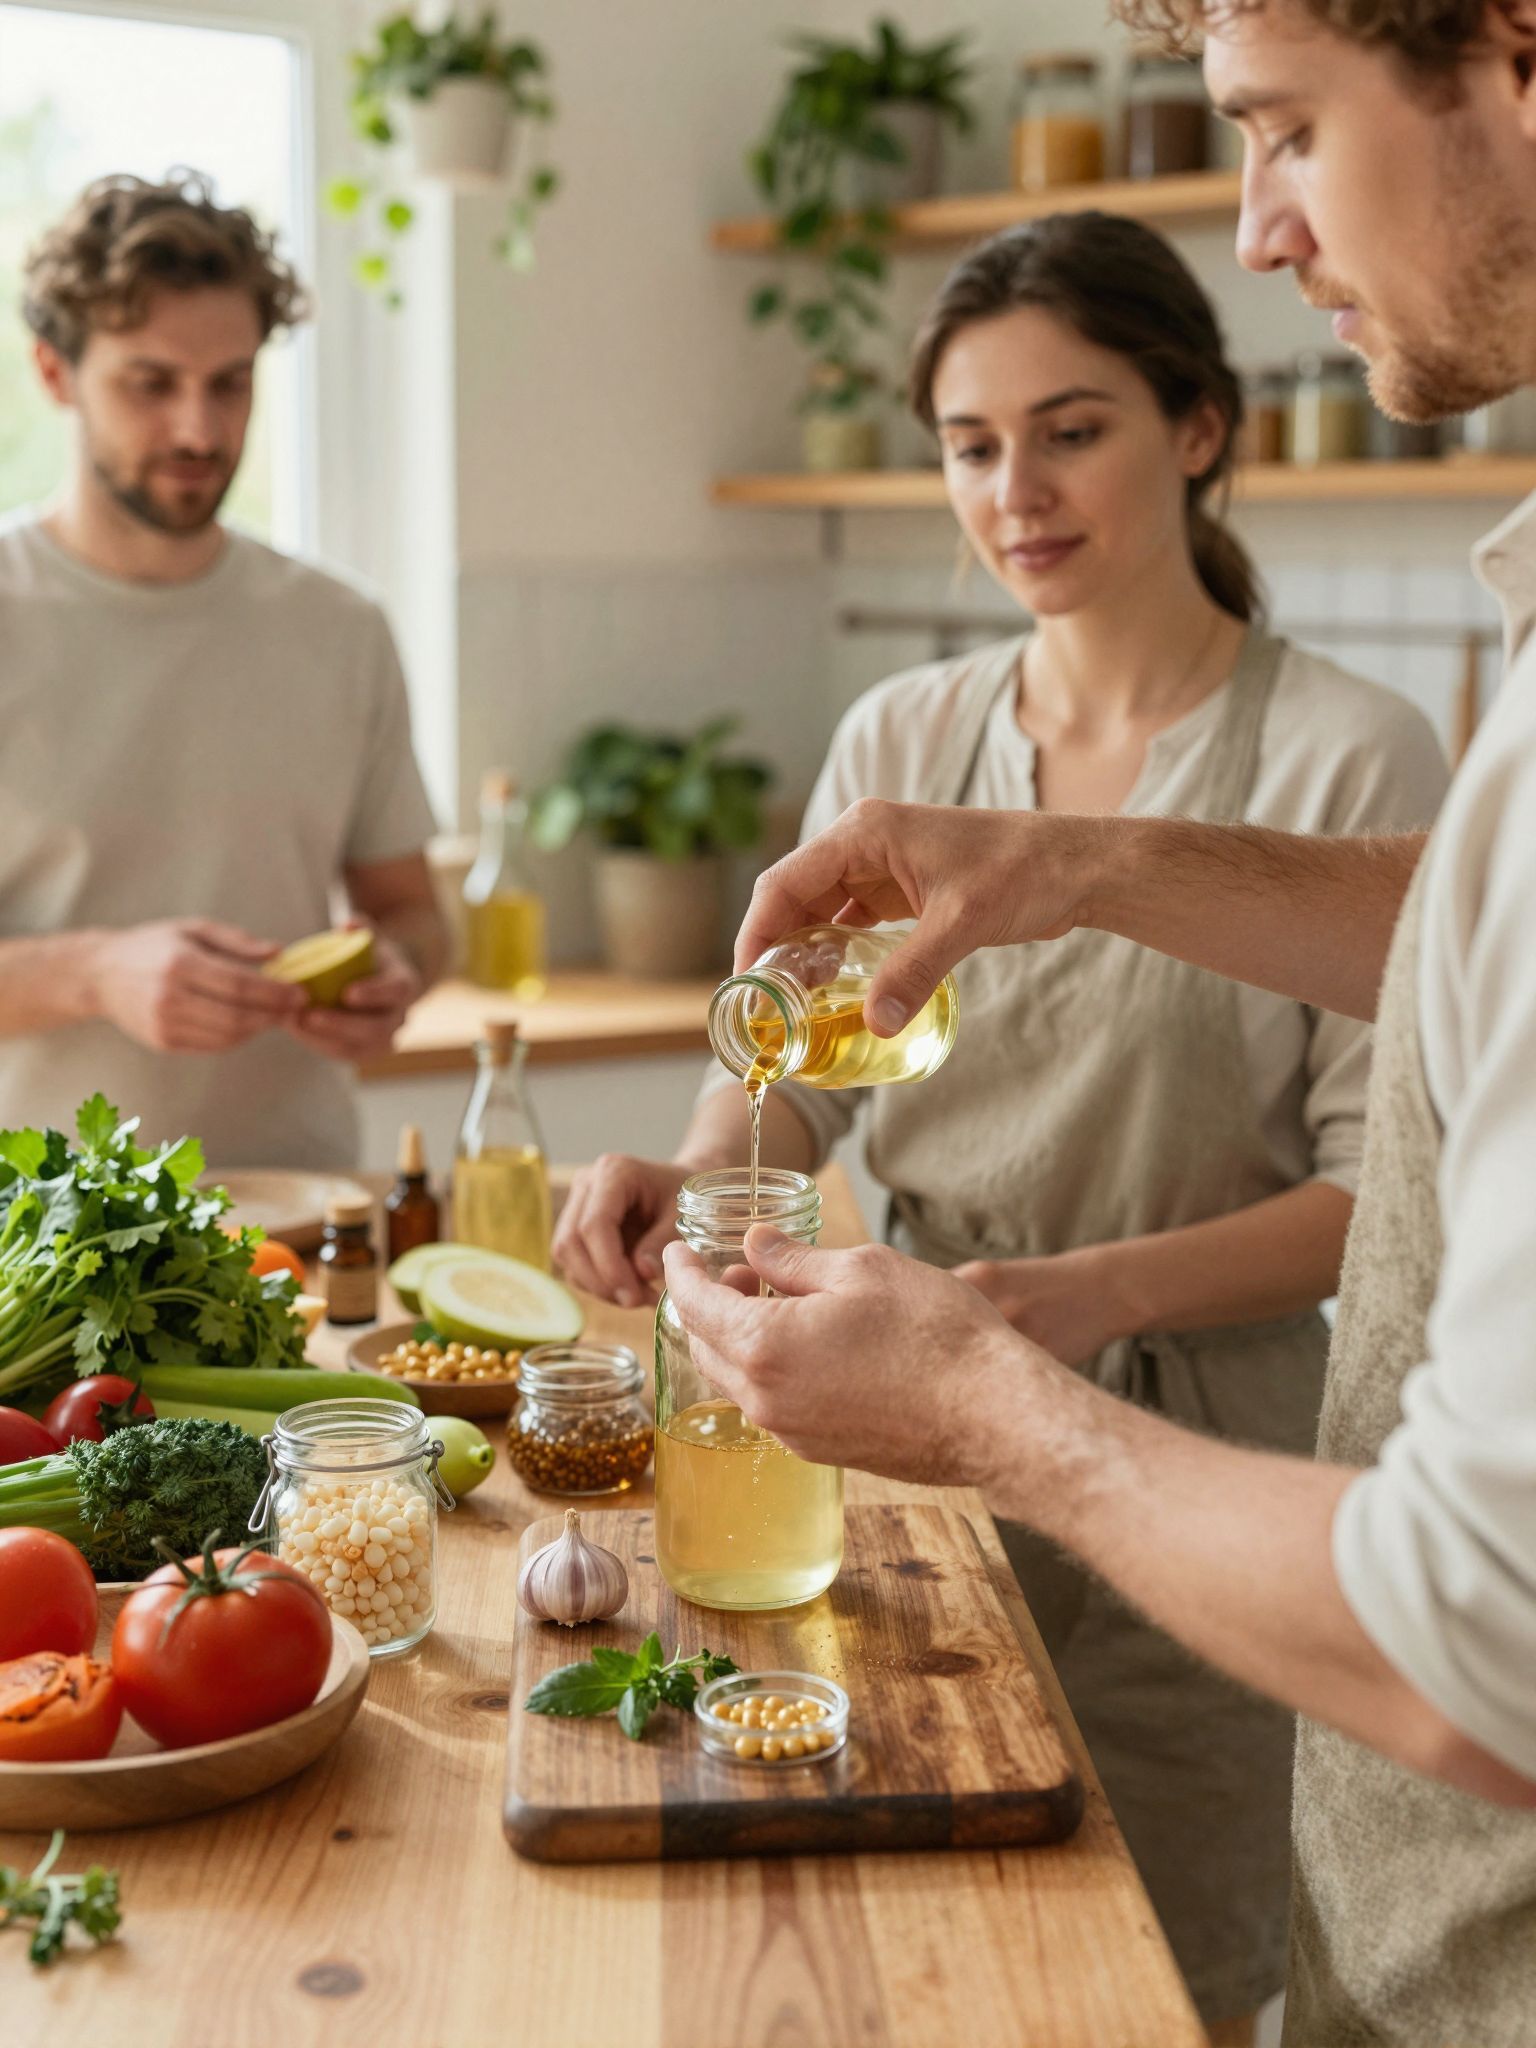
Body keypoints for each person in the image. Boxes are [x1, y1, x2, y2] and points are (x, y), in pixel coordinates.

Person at [660, 3, 1536, 2042]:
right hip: (1395, 1885)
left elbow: (1477, 1632)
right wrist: (1081, 862)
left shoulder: (1363, 727)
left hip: (1390, 1774)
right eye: (972, 442)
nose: (1263, 226)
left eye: (1286, 130)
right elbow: (1477, 940)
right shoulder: (924, 738)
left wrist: (988, 1380)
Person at [0, 172, 445, 1166]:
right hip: (26, 1247)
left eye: (230, 382)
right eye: (150, 383)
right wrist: (94, 971)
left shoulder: (340, 628)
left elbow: (411, 909)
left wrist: (399, 975)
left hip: (297, 1219)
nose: (200, 430)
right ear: (54, 373)